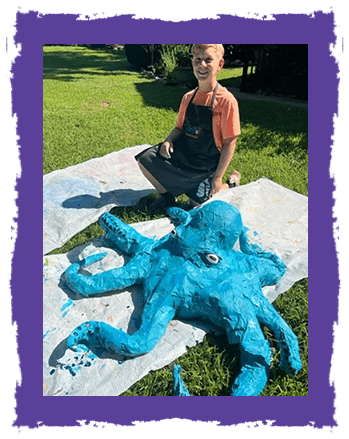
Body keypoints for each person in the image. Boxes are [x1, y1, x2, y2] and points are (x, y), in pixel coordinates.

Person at [135, 44, 241, 212]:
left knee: (197, 206)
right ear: (192, 63)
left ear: (220, 64)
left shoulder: (226, 101)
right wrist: (168, 141)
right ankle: (168, 199)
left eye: (208, 60)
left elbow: (230, 143)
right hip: (184, 157)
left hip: (205, 167)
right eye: (198, 59)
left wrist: (218, 176)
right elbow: (178, 128)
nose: (202, 65)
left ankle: (230, 183)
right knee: (145, 159)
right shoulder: (188, 98)